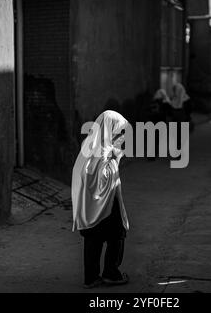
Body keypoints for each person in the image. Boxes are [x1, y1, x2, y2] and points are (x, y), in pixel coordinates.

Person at [72, 110, 130, 289]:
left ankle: (91, 277)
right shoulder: (103, 151)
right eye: (118, 132)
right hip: (105, 200)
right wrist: (113, 158)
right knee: (118, 233)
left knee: (93, 236)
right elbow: (102, 176)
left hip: (89, 204)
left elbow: (81, 173)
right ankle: (111, 273)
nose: (120, 136)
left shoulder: (89, 145)